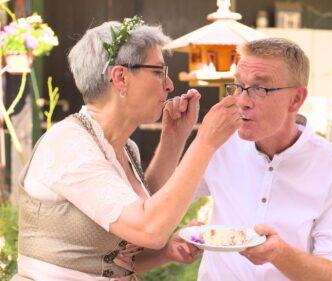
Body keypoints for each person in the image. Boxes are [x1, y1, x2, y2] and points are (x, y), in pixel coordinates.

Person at [13, 17, 241, 280]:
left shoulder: (124, 147)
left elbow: (126, 237)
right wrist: (206, 142)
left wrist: (174, 140)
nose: (169, 85)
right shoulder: (69, 144)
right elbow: (150, 228)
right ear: (120, 78)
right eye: (158, 72)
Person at [195, 38, 332, 281]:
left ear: (296, 99)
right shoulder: (218, 144)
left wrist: (279, 253)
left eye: (260, 89)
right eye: (239, 86)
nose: (242, 101)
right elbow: (155, 203)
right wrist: (174, 137)